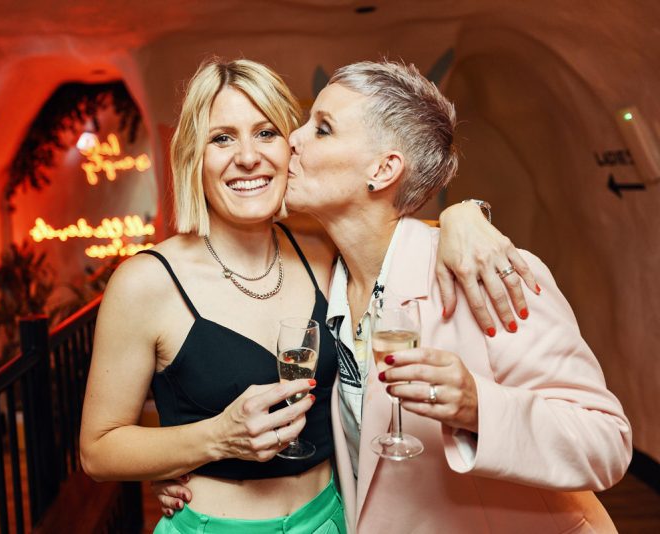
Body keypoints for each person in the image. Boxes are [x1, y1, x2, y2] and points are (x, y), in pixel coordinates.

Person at [80, 58, 535, 533]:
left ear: (290, 148)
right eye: (222, 138)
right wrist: (215, 439)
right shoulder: (146, 282)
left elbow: (389, 230)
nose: (248, 157)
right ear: (194, 156)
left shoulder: (323, 256)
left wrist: (465, 215)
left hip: (333, 519)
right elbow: (98, 450)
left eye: (266, 133)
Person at [282, 60, 630, 533]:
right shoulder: (322, 281)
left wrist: (477, 408)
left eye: (322, 129)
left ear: (383, 169)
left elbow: (606, 443)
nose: (293, 139)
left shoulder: (487, 274)